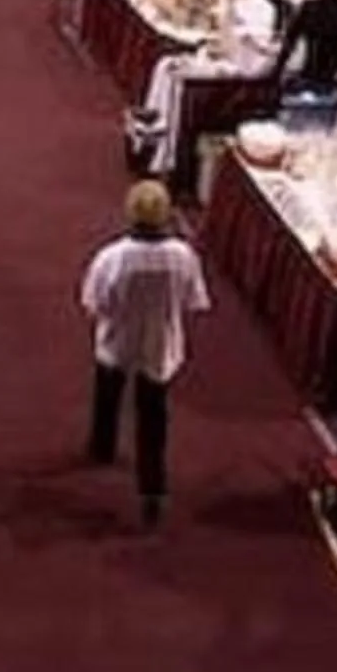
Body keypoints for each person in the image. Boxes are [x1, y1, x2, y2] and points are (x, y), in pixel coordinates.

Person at [78, 180, 212, 528]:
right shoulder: (183, 257)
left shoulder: (112, 258)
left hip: (116, 342)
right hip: (160, 346)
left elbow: (94, 303)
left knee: (107, 396)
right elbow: (193, 301)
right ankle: (152, 491)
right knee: (153, 421)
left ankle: (102, 445)